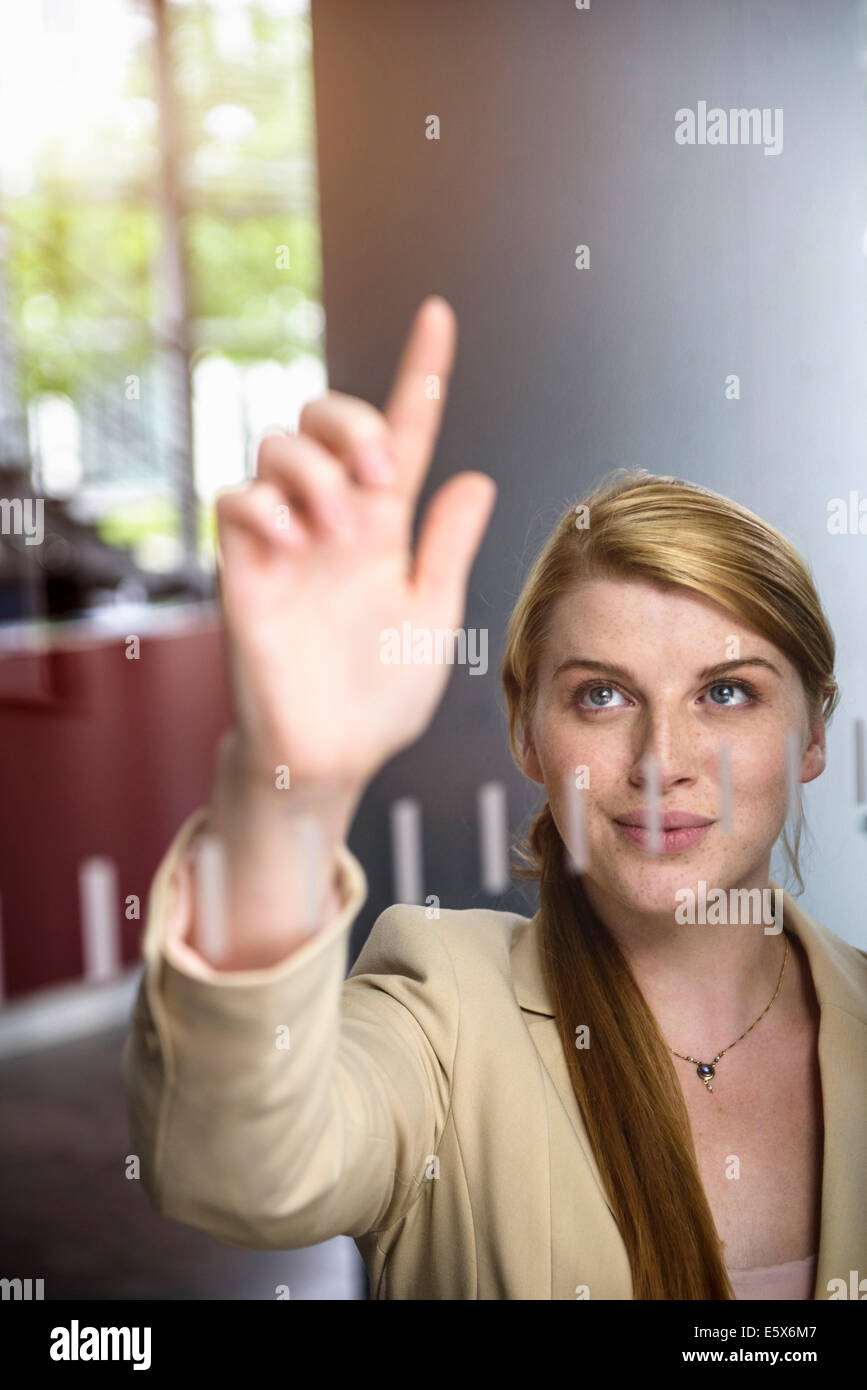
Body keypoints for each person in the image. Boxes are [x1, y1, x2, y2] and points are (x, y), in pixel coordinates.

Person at [122, 296, 867, 1300]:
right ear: (527, 732)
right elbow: (233, 1171)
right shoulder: (442, 1012)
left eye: (726, 693)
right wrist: (288, 782)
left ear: (813, 733)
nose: (664, 759)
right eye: (600, 695)